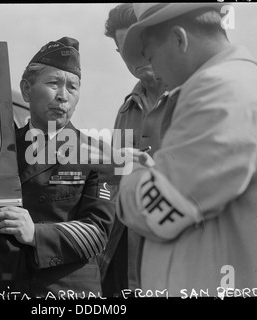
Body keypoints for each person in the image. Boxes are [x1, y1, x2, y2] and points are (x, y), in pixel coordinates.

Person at [117, 3, 257, 296]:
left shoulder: (224, 90)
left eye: (152, 57)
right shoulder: (225, 84)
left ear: (179, 39)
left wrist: (131, 177)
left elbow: (159, 209)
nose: (153, 70)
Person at [0, 36, 117, 297]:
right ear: (27, 89)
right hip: (6, 284)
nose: (63, 96)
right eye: (53, 84)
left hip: (66, 290)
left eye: (72, 87)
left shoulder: (98, 154)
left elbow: (97, 232)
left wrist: (35, 233)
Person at [98, 3, 168, 296]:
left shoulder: (197, 99)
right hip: (125, 251)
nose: (135, 56)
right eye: (124, 48)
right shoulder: (126, 109)